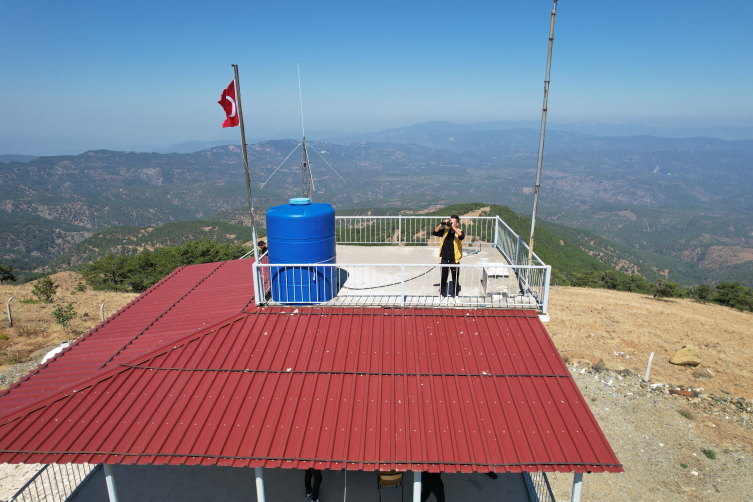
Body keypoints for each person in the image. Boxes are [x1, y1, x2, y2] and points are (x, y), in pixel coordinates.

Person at [431, 215, 465, 301]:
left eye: (452, 222)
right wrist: (441, 224)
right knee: (443, 277)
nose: (450, 223)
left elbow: (461, 237)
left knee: (455, 278)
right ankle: (442, 294)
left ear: (457, 223)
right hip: (445, 257)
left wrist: (454, 228)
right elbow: (434, 232)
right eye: (450, 221)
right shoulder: (446, 230)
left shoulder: (459, 231)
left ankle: (455, 296)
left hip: (454, 259)